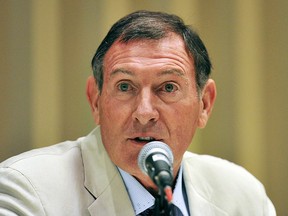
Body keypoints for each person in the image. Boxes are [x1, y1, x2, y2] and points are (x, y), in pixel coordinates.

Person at [0, 10, 276, 216]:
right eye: (124, 86)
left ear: (204, 104)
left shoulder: (243, 196)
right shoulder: (26, 190)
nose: (144, 113)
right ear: (95, 101)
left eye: (168, 87)